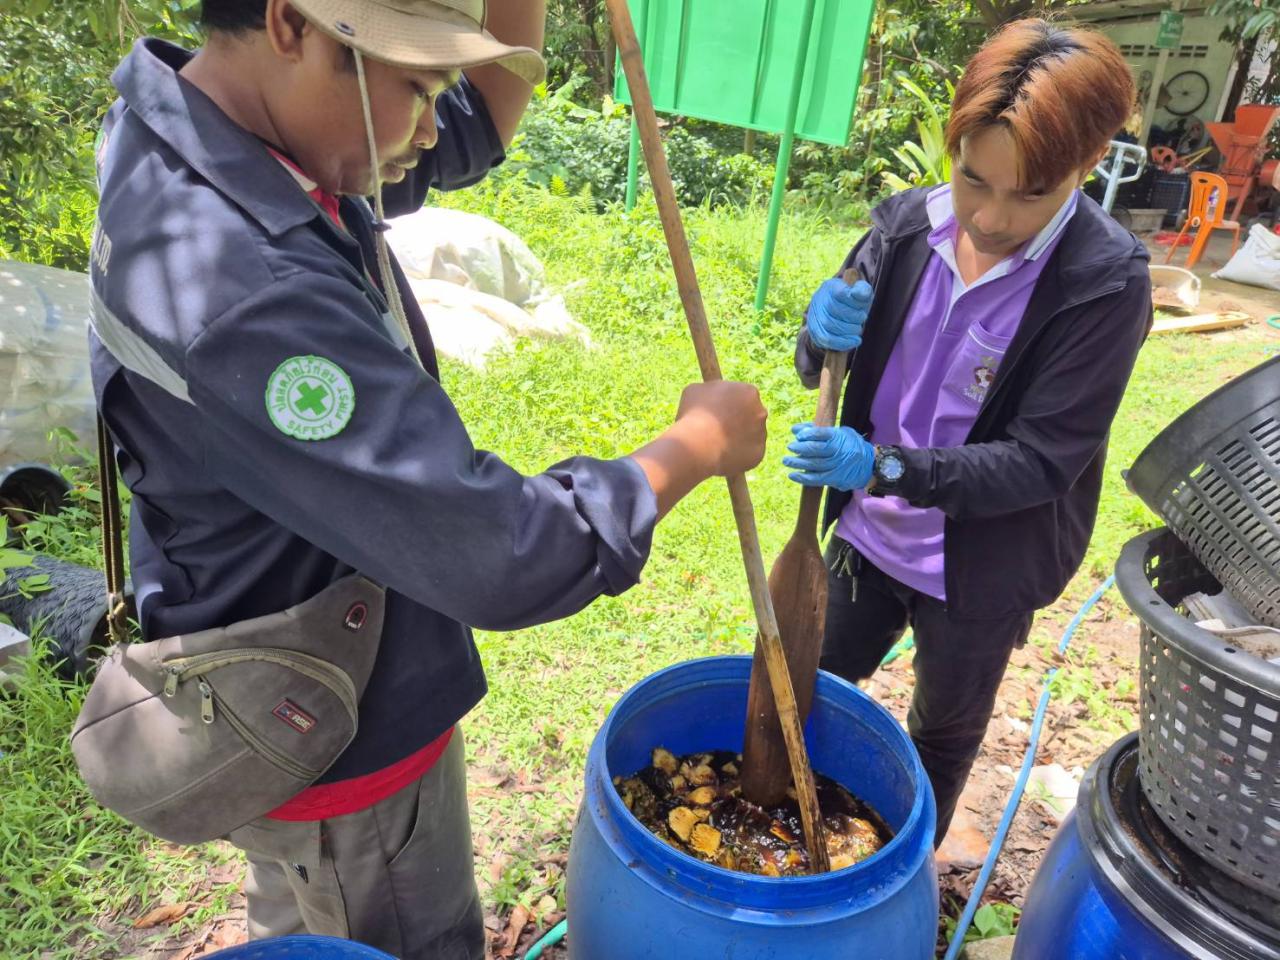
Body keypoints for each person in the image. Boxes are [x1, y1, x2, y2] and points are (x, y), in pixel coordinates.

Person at [87, 1, 766, 956]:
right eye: (415, 86)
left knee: (303, 901)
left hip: (253, 697)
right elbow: (500, 550)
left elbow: (469, 123)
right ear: (291, 23)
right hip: (339, 738)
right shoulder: (247, 290)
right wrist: (694, 443)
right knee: (405, 931)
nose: (425, 132)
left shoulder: (193, 128)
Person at [783, 19, 1150, 846]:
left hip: (981, 565)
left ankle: (902, 882)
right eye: (973, 179)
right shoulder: (907, 226)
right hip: (865, 534)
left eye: (1029, 193)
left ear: (1087, 166)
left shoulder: (1102, 284)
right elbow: (827, 362)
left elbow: (1039, 462)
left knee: (941, 735)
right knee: (799, 687)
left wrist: (882, 465)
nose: (987, 217)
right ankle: (786, 843)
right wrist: (817, 335)